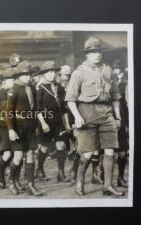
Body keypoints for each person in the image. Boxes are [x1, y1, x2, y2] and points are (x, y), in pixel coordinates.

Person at [65, 36, 124, 196]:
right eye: (93, 52)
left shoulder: (108, 70)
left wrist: (117, 117)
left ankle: (108, 186)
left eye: (99, 51)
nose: (97, 54)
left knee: (110, 150)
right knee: (88, 153)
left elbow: (116, 97)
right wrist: (77, 117)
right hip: (86, 113)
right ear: (87, 54)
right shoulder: (79, 72)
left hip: (106, 113)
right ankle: (79, 180)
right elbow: (70, 100)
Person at [6, 60, 43, 196]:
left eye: (30, 74)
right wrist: (10, 129)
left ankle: (31, 185)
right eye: (25, 75)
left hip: (30, 127)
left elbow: (35, 109)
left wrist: (37, 126)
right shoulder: (14, 89)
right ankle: (12, 180)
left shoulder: (32, 88)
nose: (28, 77)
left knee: (30, 155)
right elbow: (9, 111)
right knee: (18, 156)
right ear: (19, 75)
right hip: (18, 128)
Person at [35, 61, 71, 183]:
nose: (51, 74)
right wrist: (43, 124)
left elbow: (64, 108)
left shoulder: (59, 88)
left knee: (61, 145)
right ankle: (39, 169)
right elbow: (37, 109)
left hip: (58, 121)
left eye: (53, 72)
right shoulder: (40, 89)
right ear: (44, 74)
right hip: (45, 120)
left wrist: (67, 123)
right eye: (48, 72)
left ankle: (61, 173)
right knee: (45, 147)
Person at [113, 59, 129, 188]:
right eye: (114, 68)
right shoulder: (110, 82)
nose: (116, 70)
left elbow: (128, 104)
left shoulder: (126, 82)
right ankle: (100, 175)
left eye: (118, 68)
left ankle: (120, 177)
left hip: (122, 119)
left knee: (123, 150)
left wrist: (127, 123)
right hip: (108, 119)